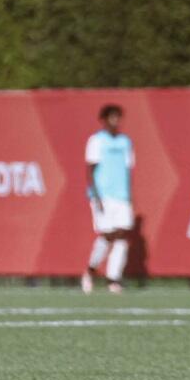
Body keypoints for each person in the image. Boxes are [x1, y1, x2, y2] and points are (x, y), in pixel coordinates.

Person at [81, 104, 134, 295]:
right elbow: (90, 169)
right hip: (103, 195)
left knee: (122, 235)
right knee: (107, 235)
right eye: (112, 117)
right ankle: (90, 270)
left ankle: (113, 277)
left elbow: (128, 170)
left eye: (118, 117)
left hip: (122, 196)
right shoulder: (96, 141)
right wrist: (95, 195)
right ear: (104, 120)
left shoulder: (125, 142)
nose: (115, 121)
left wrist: (130, 197)